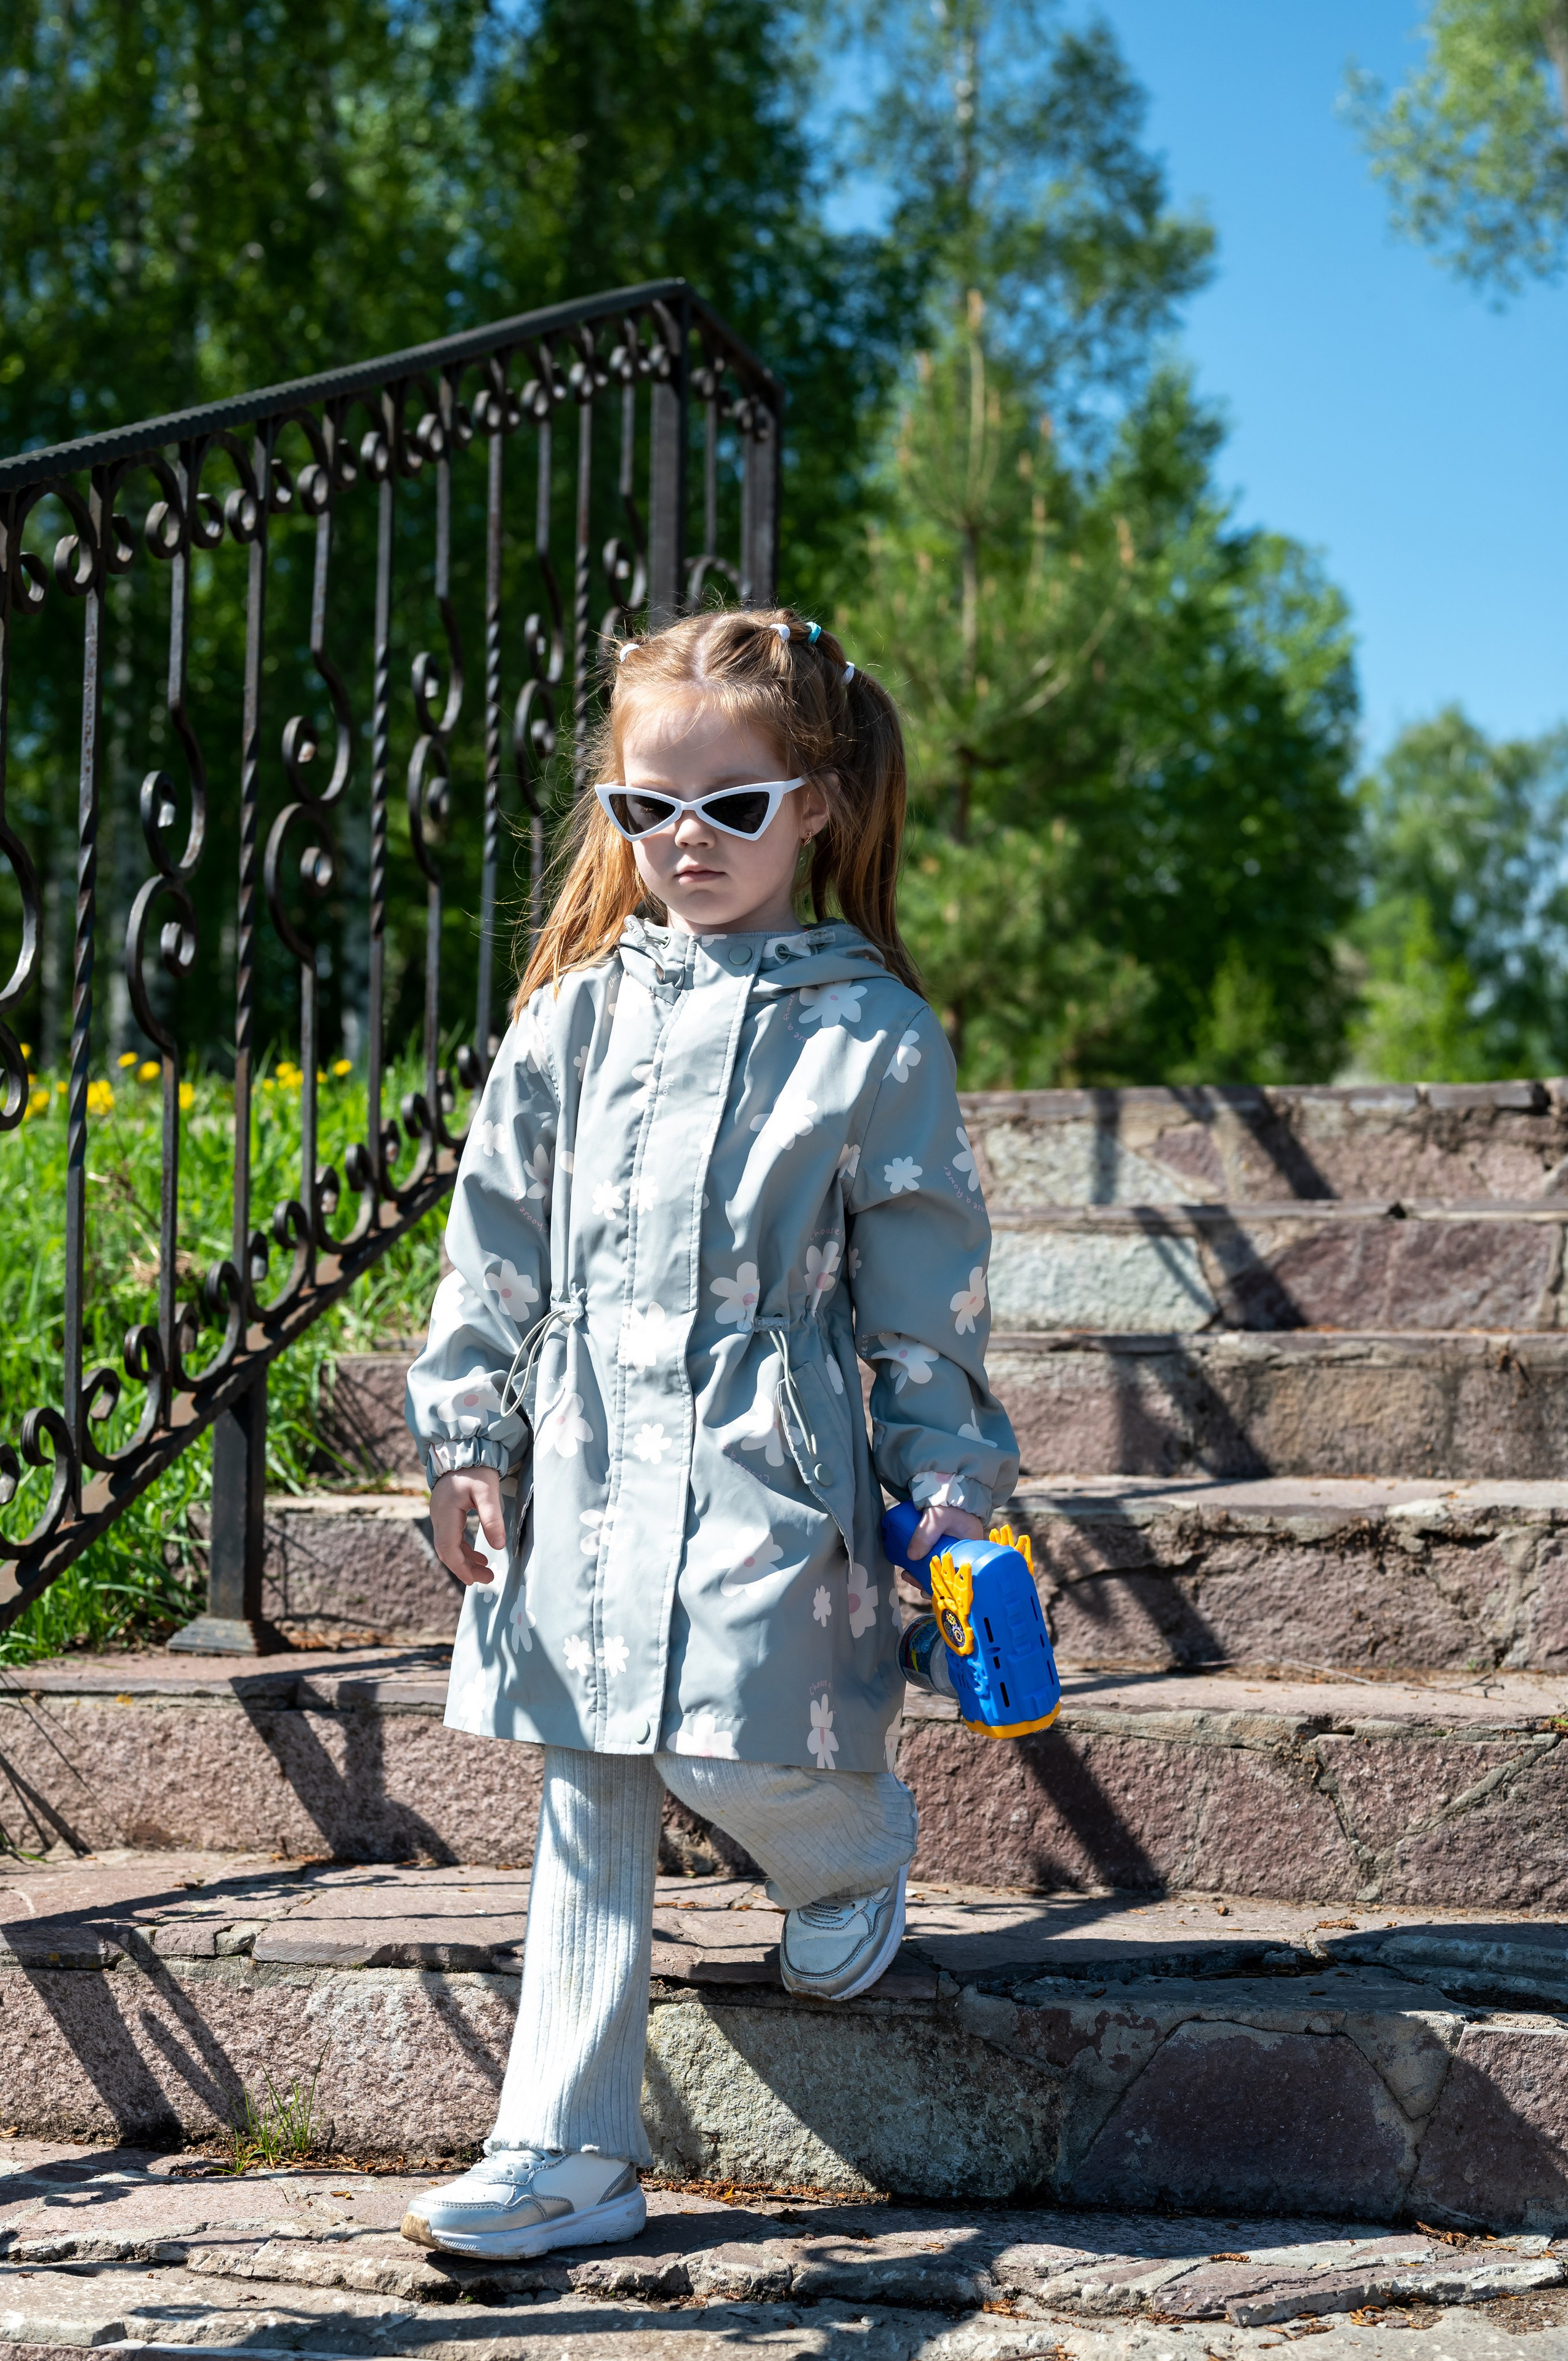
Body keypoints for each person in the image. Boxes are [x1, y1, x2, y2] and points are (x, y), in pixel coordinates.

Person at [400, 607, 1019, 2261]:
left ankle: (849, 1848)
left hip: (773, 1454)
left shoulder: (871, 1031)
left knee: (725, 1737)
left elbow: (921, 1295)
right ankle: (566, 2146)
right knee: (589, 1767)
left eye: (731, 805)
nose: (686, 838)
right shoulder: (572, 1020)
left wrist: (949, 1492)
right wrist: (469, 1427)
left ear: (814, 803)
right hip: (588, 1450)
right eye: (646, 806)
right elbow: (496, 1241)